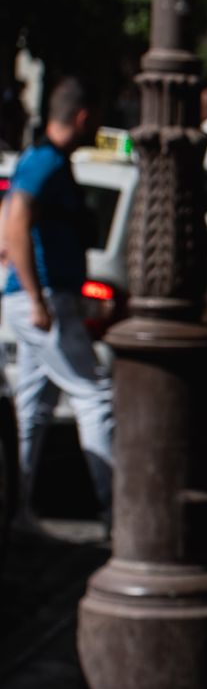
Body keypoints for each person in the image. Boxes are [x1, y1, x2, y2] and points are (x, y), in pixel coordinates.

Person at [1, 77, 112, 534]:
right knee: (95, 395)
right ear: (82, 117)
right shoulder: (44, 163)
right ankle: (120, 513)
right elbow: (14, 226)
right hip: (43, 299)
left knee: (33, 409)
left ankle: (15, 512)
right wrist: (34, 297)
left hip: (36, 298)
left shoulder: (42, 161)